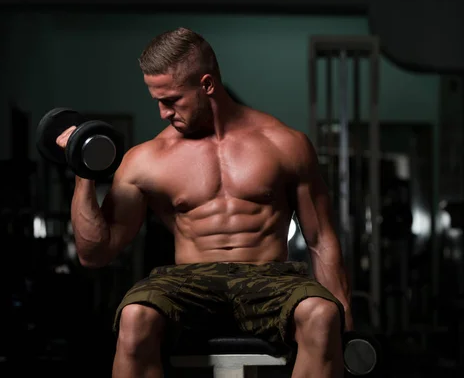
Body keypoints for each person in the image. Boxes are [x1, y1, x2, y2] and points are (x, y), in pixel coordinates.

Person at [56, 27, 353, 378]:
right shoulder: (147, 160)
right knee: (135, 317)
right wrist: (82, 171)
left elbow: (321, 240)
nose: (163, 112)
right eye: (157, 101)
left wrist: (346, 327)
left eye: (171, 100)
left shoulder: (284, 144)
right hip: (189, 280)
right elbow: (95, 254)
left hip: (270, 277)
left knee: (322, 315)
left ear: (207, 85)